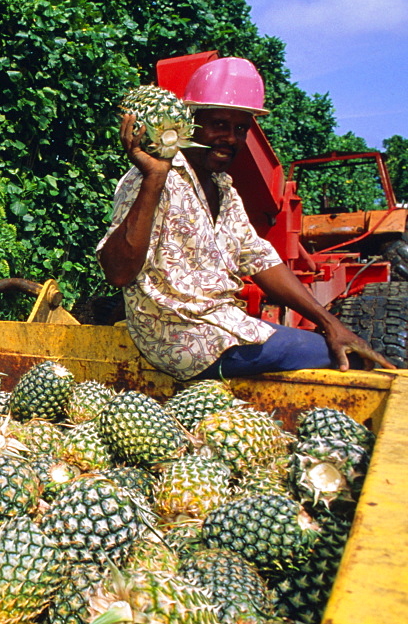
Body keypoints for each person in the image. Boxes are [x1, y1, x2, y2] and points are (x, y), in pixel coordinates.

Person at [96, 56, 393, 381]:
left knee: (331, 345)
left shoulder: (223, 187)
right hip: (179, 339)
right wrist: (154, 178)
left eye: (241, 129)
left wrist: (330, 323)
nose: (231, 138)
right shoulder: (150, 176)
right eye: (219, 125)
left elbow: (260, 260)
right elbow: (119, 272)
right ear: (190, 122)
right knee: (345, 360)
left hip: (221, 327)